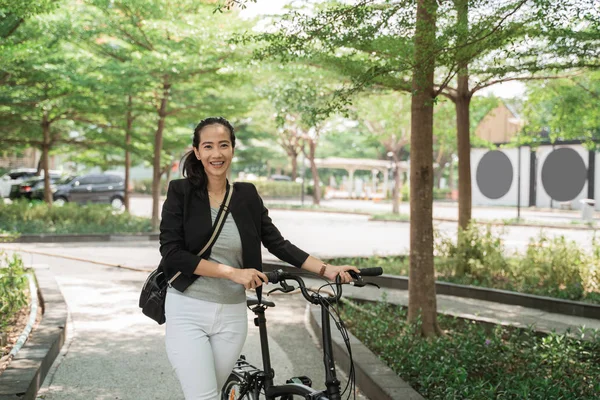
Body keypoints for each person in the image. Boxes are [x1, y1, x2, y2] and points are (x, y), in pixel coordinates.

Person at [159, 117, 359, 400]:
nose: (217, 154)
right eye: (208, 146)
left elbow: (278, 243)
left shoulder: (247, 196)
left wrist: (328, 270)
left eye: (224, 145)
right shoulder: (180, 193)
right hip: (187, 309)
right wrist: (232, 273)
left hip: (231, 315)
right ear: (197, 151)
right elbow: (172, 254)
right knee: (202, 396)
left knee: (209, 393)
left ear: (232, 149)